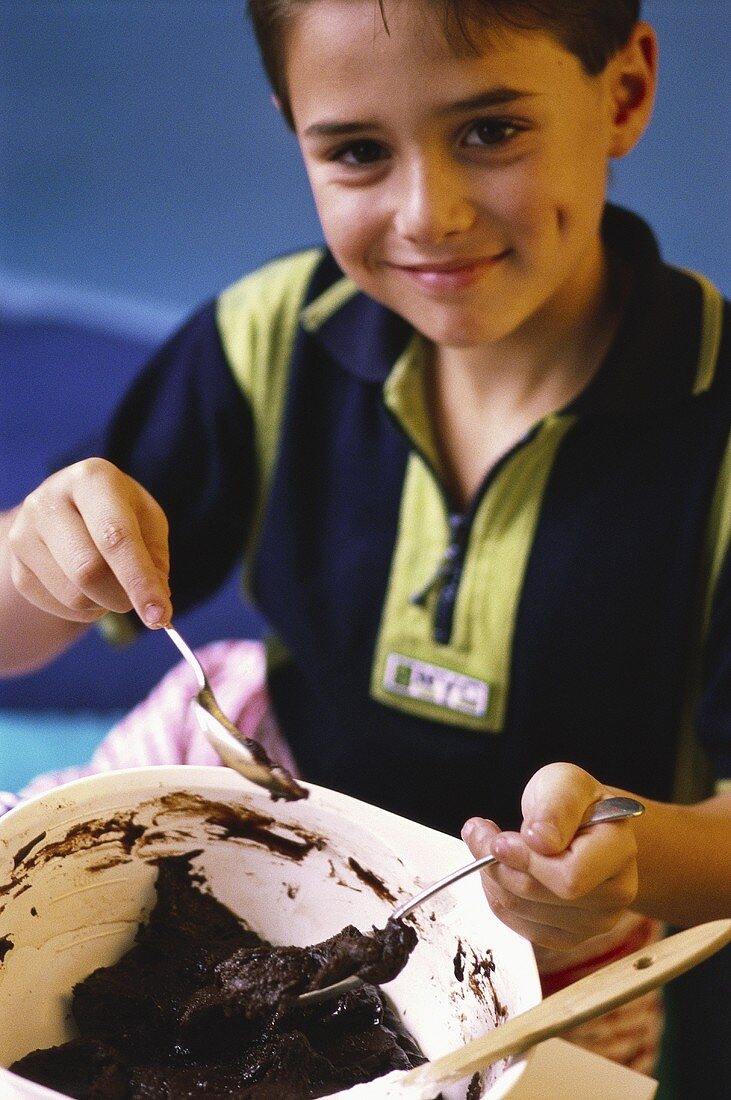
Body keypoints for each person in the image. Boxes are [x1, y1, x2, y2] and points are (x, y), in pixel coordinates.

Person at [0, 0, 728, 1082]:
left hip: (567, 934)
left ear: (620, 91)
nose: (427, 213)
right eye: (354, 151)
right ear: (292, 126)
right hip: (258, 782)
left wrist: (624, 865)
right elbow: (12, 645)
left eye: (488, 131)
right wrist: (29, 560)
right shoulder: (265, 340)